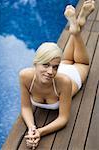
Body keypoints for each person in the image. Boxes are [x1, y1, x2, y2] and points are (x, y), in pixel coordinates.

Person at [19, 0, 95, 149]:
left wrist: (40, 131)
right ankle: (78, 24)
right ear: (35, 63)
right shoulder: (24, 76)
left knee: (82, 63)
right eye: (46, 65)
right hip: (64, 67)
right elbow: (25, 107)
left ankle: (76, 29)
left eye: (54, 67)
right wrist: (31, 127)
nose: (50, 72)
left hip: (74, 72)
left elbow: (63, 118)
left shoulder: (65, 81)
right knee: (67, 57)